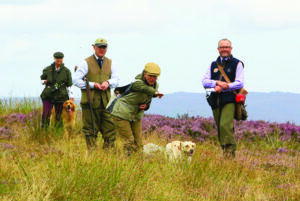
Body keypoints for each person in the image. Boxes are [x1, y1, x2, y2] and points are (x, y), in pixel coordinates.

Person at [73, 37, 119, 150]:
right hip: (90, 102)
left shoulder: (111, 63)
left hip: (107, 103)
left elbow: (116, 80)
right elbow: (75, 80)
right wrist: (93, 85)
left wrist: (108, 82)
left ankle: (108, 156)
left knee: (110, 129)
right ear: (94, 47)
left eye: (104, 47)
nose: (102, 49)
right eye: (99, 47)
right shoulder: (85, 62)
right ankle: (92, 156)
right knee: (90, 130)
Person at [202, 39, 244, 158]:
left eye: (227, 47)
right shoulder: (213, 65)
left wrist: (226, 87)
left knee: (225, 125)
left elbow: (240, 83)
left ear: (231, 48)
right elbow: (204, 81)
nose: (224, 49)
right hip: (215, 100)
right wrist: (217, 83)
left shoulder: (237, 63)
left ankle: (230, 154)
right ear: (218, 49)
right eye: (222, 47)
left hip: (230, 99)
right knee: (220, 128)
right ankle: (225, 152)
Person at [111, 62, 164, 156]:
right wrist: (155, 92)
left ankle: (137, 165)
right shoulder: (137, 83)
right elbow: (144, 89)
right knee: (129, 142)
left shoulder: (155, 86)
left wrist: (146, 106)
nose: (153, 79)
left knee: (139, 144)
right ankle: (127, 164)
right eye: (150, 76)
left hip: (135, 116)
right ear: (144, 74)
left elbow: (148, 99)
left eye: (155, 76)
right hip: (121, 113)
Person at [40, 52, 74, 128]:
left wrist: (71, 96)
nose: (59, 60)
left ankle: (58, 134)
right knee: (46, 114)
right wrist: (44, 81)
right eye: (57, 58)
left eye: (60, 58)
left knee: (59, 116)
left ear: (62, 59)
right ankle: (44, 133)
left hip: (61, 96)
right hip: (48, 95)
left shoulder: (66, 71)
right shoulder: (47, 69)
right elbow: (42, 79)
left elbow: (69, 85)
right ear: (54, 58)